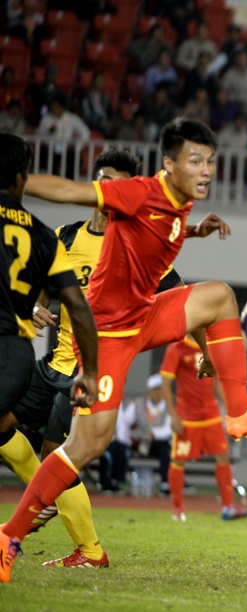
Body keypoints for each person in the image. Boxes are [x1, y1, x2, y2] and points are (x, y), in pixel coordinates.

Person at [0, 118, 247, 583]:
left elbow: (160, 229)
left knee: (220, 296)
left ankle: (240, 409)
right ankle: (9, 535)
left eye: (210, 161)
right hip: (106, 332)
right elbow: (67, 190)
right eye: (195, 161)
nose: (206, 170)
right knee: (87, 444)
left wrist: (195, 231)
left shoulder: (180, 202)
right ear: (170, 164)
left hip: (143, 313)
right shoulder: (140, 192)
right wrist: (12, 186)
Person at [0, 132, 98, 579]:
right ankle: (46, 498)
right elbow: (69, 302)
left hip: (55, 363)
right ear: (23, 177)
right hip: (27, 358)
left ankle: (79, 538)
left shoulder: (126, 245)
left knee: (58, 455)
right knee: (10, 431)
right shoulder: (49, 234)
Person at [161, 336, 247, 521]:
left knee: (223, 456)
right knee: (178, 460)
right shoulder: (177, 348)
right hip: (187, 416)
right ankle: (177, 509)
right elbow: (165, 383)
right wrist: (173, 415)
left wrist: (230, 409)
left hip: (210, 414)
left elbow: (217, 381)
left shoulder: (211, 346)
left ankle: (228, 507)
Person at [143, 373, 172, 495]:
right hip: (142, 442)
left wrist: (153, 433)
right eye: (155, 390)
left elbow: (168, 429)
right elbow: (126, 422)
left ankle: (166, 483)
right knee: (120, 447)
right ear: (149, 391)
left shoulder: (169, 407)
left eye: (160, 390)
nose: (158, 393)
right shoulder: (139, 404)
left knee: (165, 450)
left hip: (159, 443)